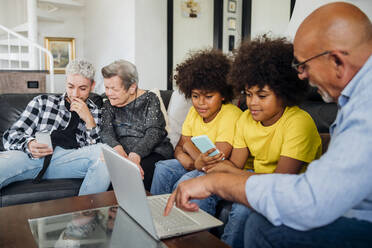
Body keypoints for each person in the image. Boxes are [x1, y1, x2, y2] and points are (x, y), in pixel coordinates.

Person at [164, 2, 372, 247]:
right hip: (345, 207)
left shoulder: (365, 107)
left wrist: (216, 181)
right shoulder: (354, 98)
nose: (302, 75)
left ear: (337, 61)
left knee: (260, 226)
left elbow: (310, 198)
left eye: (304, 65)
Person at [201, 35, 321, 248]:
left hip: (290, 195)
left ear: (283, 94)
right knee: (200, 185)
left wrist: (229, 173)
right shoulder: (246, 118)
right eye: (248, 94)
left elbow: (280, 182)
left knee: (243, 208)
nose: (252, 103)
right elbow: (236, 165)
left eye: (262, 96)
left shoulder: (299, 123)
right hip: (258, 183)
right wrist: (219, 168)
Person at [150, 48, 242, 214]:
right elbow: (178, 148)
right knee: (162, 168)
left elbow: (215, 159)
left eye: (208, 97)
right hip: (198, 164)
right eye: (195, 96)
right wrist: (194, 162)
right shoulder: (193, 112)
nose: (201, 103)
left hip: (216, 169)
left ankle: (189, 228)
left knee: (185, 179)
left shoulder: (230, 114)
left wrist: (190, 149)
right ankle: (157, 217)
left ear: (222, 95)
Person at [0, 59, 110, 196]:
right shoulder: (42, 102)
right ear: (66, 83)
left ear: (92, 86)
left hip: (66, 162)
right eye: (70, 87)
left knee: (104, 153)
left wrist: (89, 120)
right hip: (32, 158)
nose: (75, 94)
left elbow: (96, 152)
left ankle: (85, 214)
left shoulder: (97, 113)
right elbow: (10, 135)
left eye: (82, 88)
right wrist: (29, 143)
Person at [100, 59, 173, 191]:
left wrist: (135, 155)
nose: (108, 93)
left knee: (133, 175)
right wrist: (119, 151)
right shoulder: (109, 104)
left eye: (114, 89)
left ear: (132, 87)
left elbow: (154, 132)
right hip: (124, 154)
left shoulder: (150, 99)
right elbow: (106, 131)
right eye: (106, 87)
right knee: (109, 175)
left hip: (153, 152)